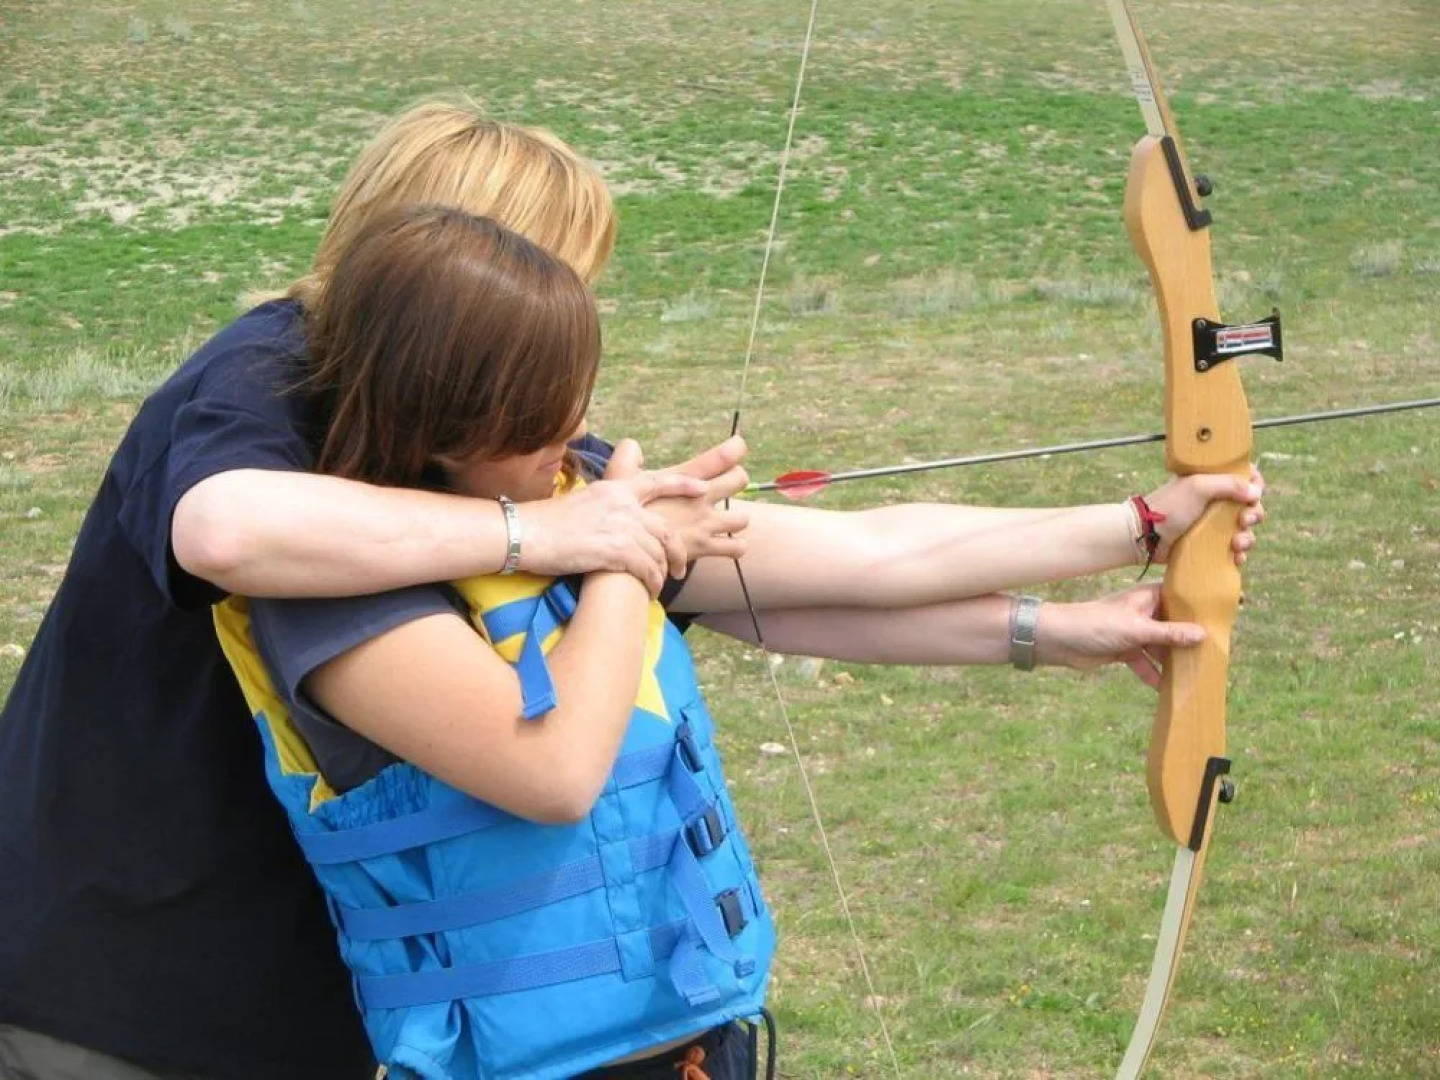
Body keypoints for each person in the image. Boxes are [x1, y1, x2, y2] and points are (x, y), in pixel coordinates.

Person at [213, 204, 1266, 1080]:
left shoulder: (571, 503)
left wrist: (1134, 527)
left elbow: (870, 558)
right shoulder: (336, 597)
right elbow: (555, 771)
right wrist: (629, 552)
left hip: (698, 1045)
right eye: (538, 414)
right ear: (440, 417)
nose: (570, 433)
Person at [0, 101, 751, 1080]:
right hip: (127, 987)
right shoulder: (265, 377)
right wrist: (555, 535)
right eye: (544, 283)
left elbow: (801, 560)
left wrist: (1018, 616)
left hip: (288, 992)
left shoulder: (429, 438)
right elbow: (223, 528)